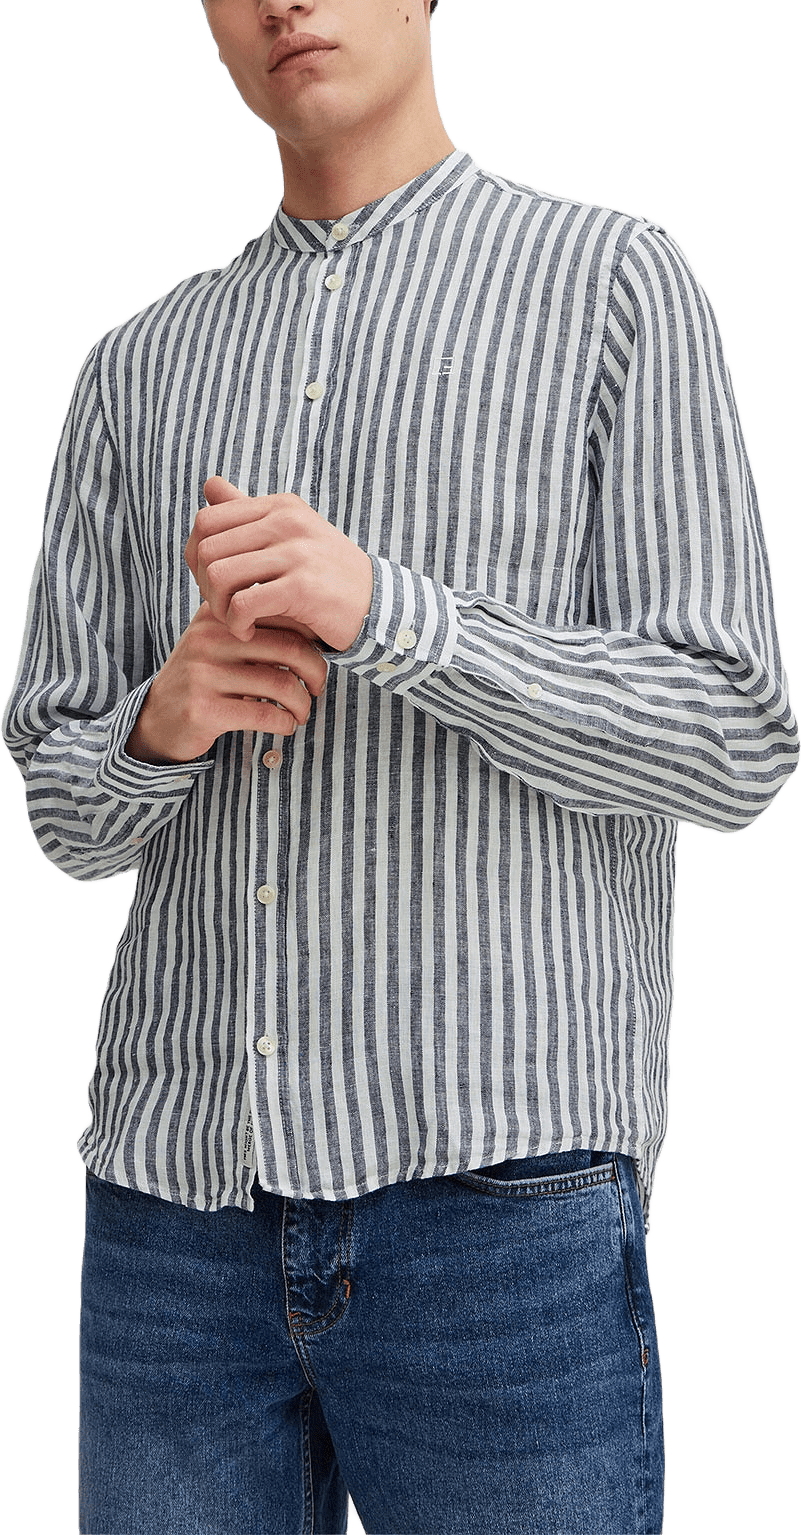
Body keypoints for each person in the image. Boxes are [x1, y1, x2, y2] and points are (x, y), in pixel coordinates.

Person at [2, 1, 798, 1531]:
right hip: (175, 1221)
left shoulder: (615, 283)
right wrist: (164, 720)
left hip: (502, 1211)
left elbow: (734, 731)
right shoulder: (130, 367)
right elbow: (60, 800)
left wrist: (393, 615)